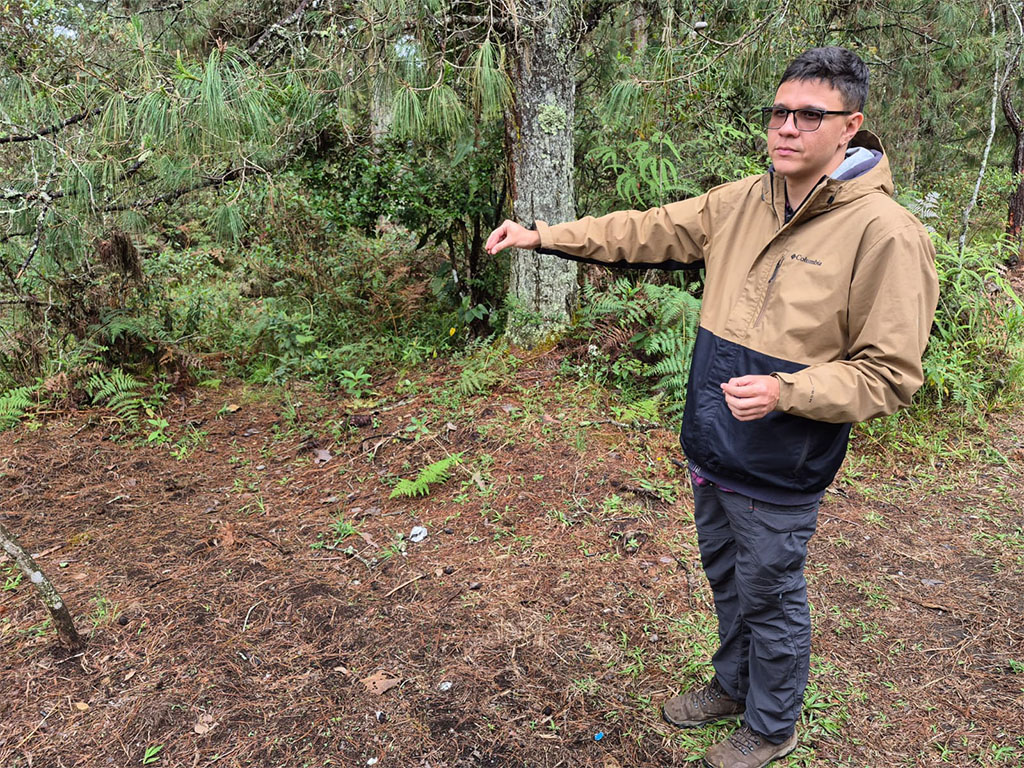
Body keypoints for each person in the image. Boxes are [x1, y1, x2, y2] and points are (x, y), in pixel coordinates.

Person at [485, 47, 939, 768]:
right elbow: (644, 230)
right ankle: (733, 686)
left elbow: (890, 374)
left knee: (770, 595)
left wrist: (788, 391)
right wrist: (543, 236)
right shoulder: (743, 201)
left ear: (850, 126)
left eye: (809, 115)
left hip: (782, 461)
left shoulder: (886, 233)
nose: (786, 127)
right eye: (779, 112)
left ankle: (773, 725)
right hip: (713, 443)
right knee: (728, 578)